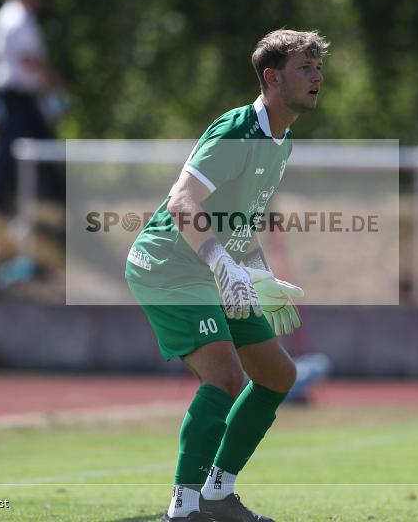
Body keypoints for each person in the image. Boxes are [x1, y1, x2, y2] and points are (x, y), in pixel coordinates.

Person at [125, 29, 328, 522]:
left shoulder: (282, 140)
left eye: (318, 67)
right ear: (271, 77)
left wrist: (260, 274)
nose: (317, 76)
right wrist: (221, 263)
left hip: (214, 269)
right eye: (305, 67)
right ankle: (184, 507)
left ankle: (218, 493)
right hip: (169, 266)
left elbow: (242, 221)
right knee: (224, 376)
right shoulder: (237, 130)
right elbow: (181, 202)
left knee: (278, 375)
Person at [0, 0, 64, 210]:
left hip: (12, 90)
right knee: (14, 143)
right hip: (16, 92)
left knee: (34, 138)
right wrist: (50, 79)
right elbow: (29, 57)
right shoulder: (18, 17)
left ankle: (55, 191)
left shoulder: (5, 15)